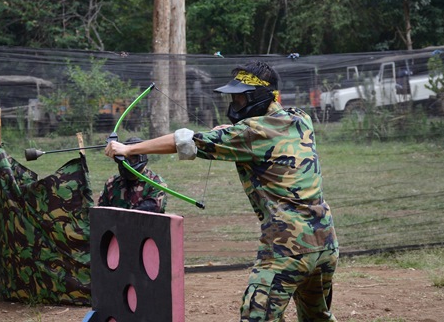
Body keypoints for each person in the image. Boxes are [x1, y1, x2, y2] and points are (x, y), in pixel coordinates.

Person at [105, 61, 339, 321]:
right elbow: (257, 135)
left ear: (257, 97)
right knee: (317, 318)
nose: (235, 104)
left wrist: (127, 149)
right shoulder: (300, 118)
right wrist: (228, 133)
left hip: (288, 249)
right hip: (325, 243)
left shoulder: (250, 133)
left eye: (239, 98)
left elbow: (184, 141)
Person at [98, 137, 167, 213]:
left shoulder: (156, 183)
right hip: (115, 224)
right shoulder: (111, 183)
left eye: (133, 158)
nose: (129, 162)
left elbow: (151, 210)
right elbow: (101, 213)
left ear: (142, 159)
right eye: (126, 158)